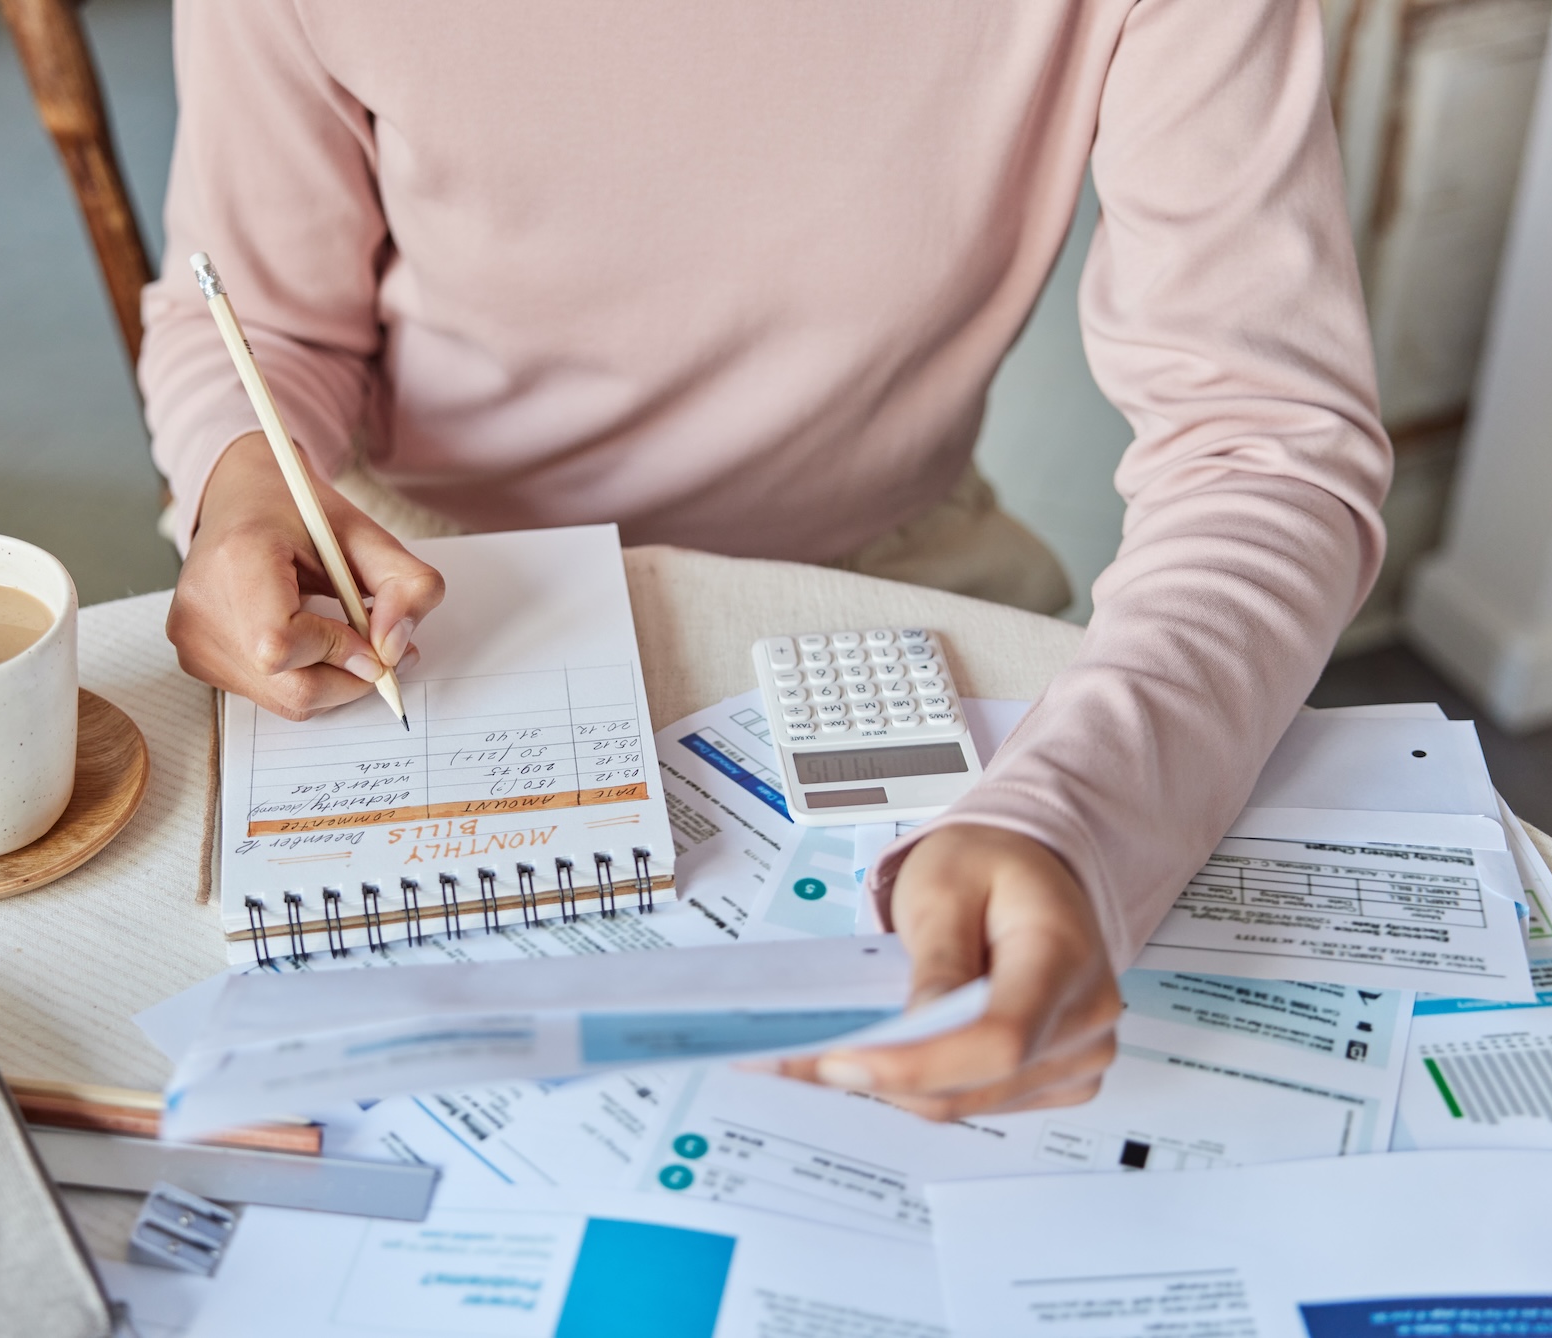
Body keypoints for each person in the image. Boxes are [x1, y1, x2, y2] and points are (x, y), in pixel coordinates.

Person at [140, 1, 1390, 1123]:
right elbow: (257, 322)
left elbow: (1264, 446)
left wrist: (1073, 825)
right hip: (415, 587)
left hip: (896, 564)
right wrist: (244, 480)